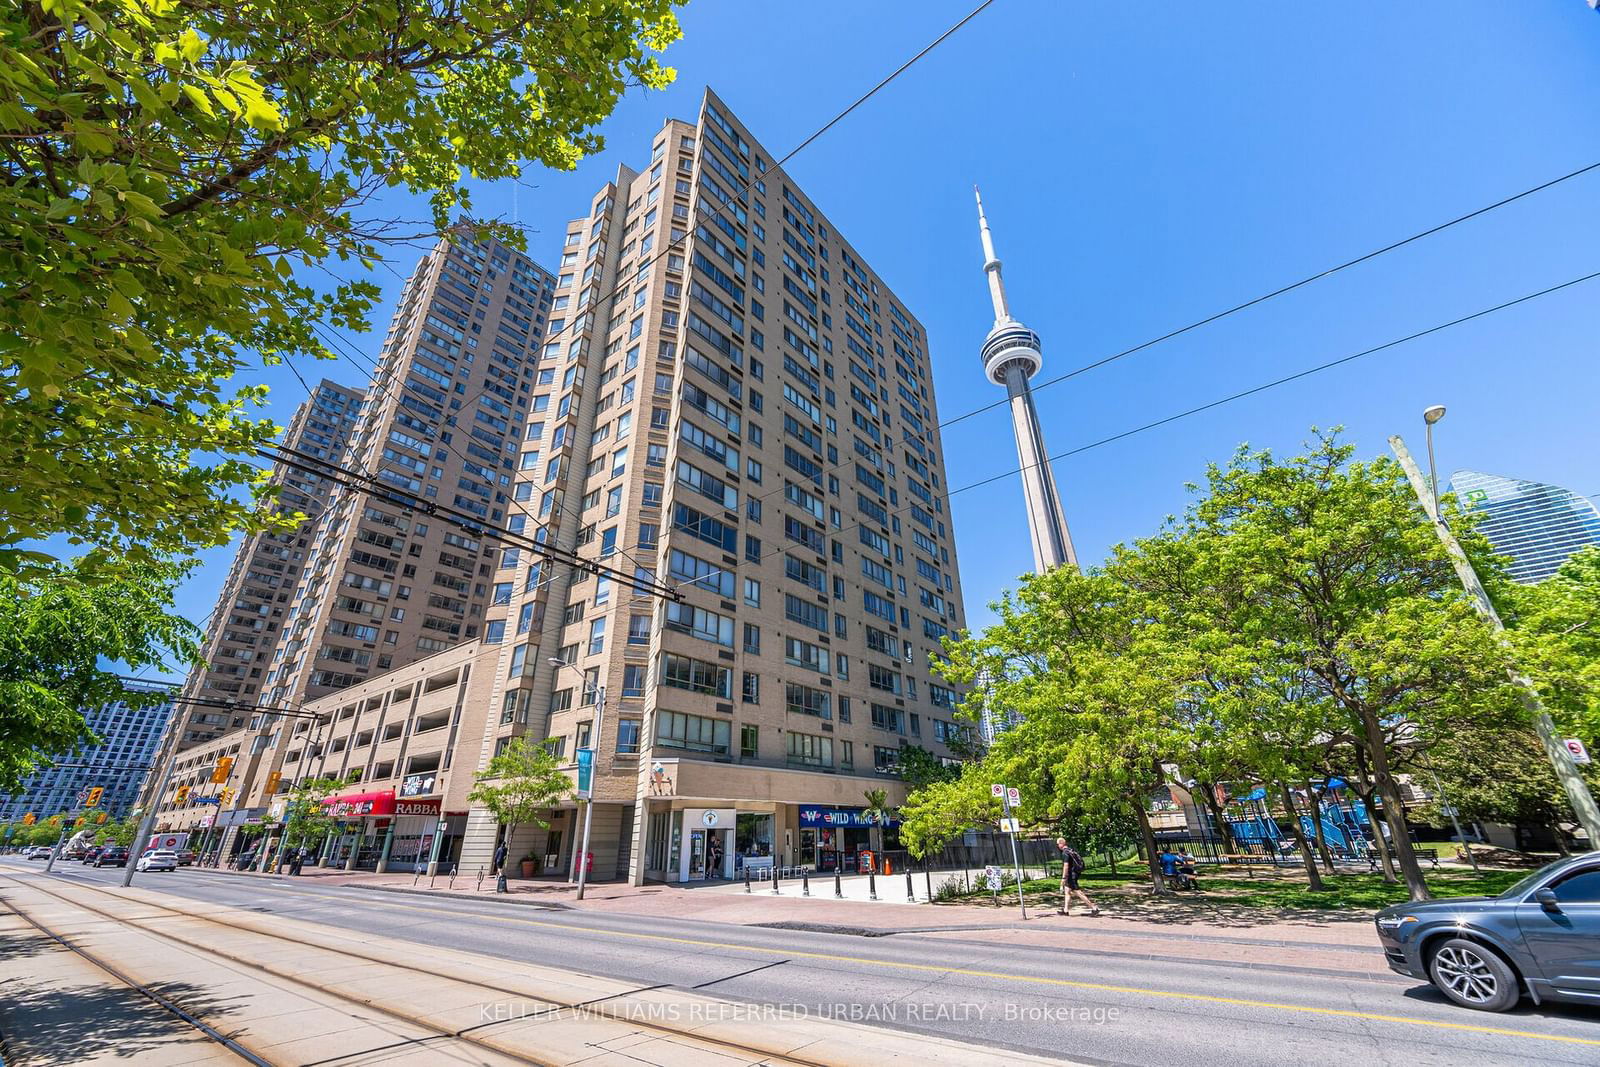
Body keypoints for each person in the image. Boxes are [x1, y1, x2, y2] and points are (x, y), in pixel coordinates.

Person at [1056, 837, 1099, 915]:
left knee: (1078, 892)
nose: (1057, 846)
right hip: (1074, 874)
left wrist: (1063, 878)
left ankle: (1094, 908)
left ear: (1061, 844)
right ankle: (1065, 910)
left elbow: (1066, 866)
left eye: (1058, 844)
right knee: (1067, 891)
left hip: (1071, 875)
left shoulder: (1065, 853)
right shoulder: (1070, 850)